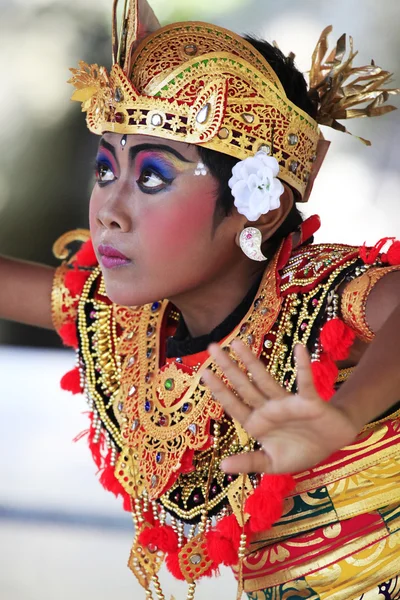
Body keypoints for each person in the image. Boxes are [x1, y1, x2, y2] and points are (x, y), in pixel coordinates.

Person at [1, 1, 400, 598]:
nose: (107, 211)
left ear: (260, 208)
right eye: (105, 170)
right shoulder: (129, 325)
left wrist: (347, 413)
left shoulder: (322, 296)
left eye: (152, 177)